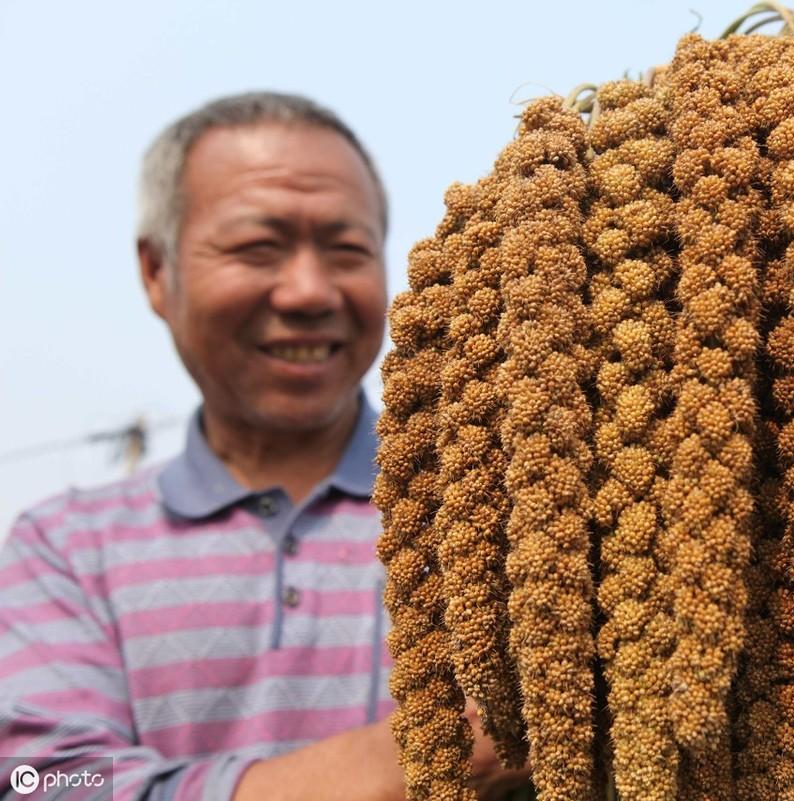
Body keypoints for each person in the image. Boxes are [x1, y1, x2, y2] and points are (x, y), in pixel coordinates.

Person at [0, 92, 528, 800]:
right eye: (258, 247)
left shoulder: (506, 506)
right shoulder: (66, 550)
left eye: (348, 250)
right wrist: (437, 751)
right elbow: (43, 782)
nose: (309, 292)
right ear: (157, 271)